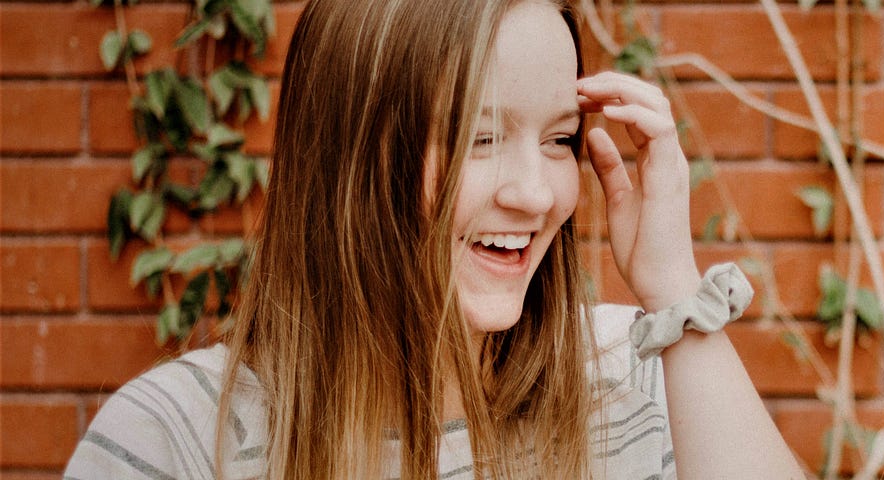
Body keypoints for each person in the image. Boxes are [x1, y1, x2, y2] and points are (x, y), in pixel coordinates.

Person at [63, 0, 803, 478]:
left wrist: (675, 293)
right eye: (480, 138)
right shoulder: (179, 439)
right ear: (349, 156)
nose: (536, 193)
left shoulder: (639, 376)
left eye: (560, 139)